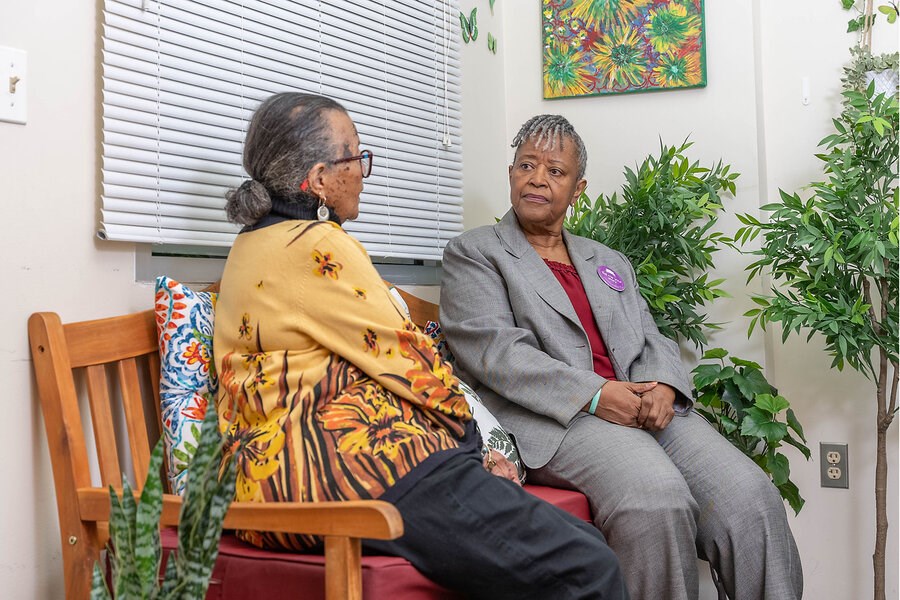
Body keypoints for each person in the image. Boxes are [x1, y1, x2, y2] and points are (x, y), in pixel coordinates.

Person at [213, 93, 629, 599]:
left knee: (574, 545)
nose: (363, 171)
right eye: (355, 156)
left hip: (272, 475)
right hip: (350, 472)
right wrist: (475, 449)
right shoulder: (318, 246)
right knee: (588, 566)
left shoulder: (252, 243)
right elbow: (407, 360)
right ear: (319, 178)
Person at [439, 114, 803, 600]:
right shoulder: (475, 252)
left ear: (578, 188)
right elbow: (496, 353)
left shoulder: (607, 259)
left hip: (640, 407)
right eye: (527, 165)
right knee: (657, 499)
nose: (537, 179)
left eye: (555, 171)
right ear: (510, 174)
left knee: (751, 497)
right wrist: (596, 394)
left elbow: (650, 336)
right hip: (558, 419)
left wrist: (665, 386)